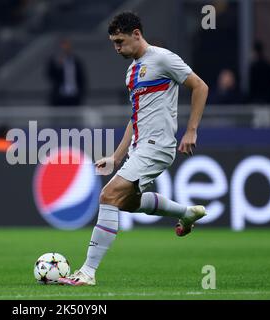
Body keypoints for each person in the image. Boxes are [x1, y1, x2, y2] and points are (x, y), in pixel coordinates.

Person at [59, 12, 209, 286]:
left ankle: (87, 272)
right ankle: (185, 213)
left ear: (137, 34)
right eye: (113, 42)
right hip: (140, 147)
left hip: (157, 146)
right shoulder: (132, 72)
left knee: (108, 195)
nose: (116, 47)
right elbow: (136, 116)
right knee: (125, 202)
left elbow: (200, 86)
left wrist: (191, 130)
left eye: (120, 41)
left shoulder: (163, 58)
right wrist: (116, 157)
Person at [46, 38, 86, 106]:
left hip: (74, 96)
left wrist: (81, 93)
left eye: (67, 46)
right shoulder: (55, 61)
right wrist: (56, 63)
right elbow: (50, 75)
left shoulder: (76, 61)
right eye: (63, 46)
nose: (65, 48)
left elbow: (81, 79)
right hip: (59, 97)